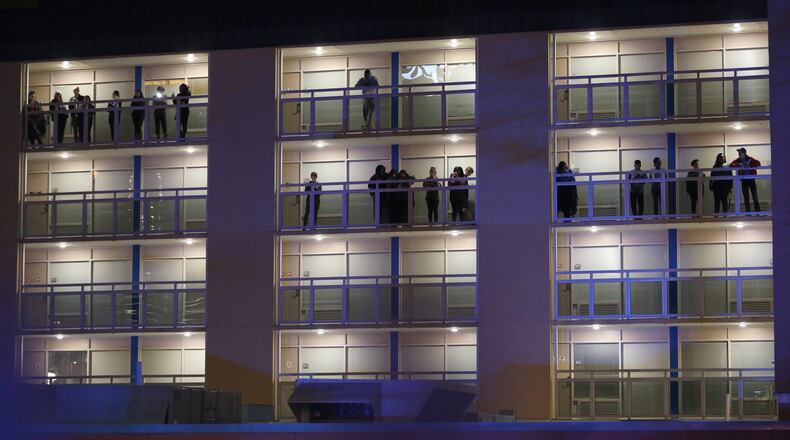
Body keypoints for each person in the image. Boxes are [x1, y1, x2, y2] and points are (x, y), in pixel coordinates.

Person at [730, 147, 762, 213]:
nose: (739, 153)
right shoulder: (738, 160)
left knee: (755, 196)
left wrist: (749, 164)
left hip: (751, 179)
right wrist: (738, 164)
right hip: (744, 180)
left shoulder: (750, 159)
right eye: (738, 152)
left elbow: (758, 163)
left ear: (744, 153)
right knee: (746, 197)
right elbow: (731, 165)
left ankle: (758, 212)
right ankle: (748, 212)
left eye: (740, 152)